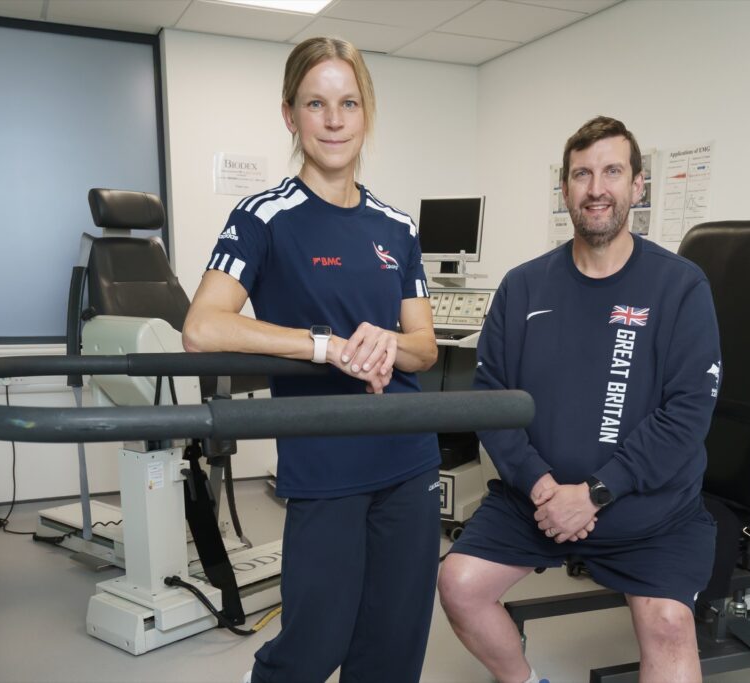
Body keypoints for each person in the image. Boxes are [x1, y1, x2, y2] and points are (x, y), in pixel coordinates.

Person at [182, 36, 441, 683]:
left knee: (393, 647)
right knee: (313, 644)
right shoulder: (265, 216)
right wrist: (324, 345)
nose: (333, 119)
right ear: (289, 114)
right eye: (315, 103)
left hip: (407, 459)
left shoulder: (397, 227)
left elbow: (425, 345)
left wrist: (385, 341)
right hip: (325, 461)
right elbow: (203, 326)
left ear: (366, 113)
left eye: (348, 103)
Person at [438, 116, 721, 683]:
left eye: (612, 171)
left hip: (650, 511)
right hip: (534, 502)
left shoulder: (680, 287)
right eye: (582, 174)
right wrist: (544, 488)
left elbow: (687, 412)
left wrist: (595, 493)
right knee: (458, 584)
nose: (597, 188)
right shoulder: (522, 287)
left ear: (638, 186)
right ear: (565, 189)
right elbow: (490, 399)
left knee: (669, 623)